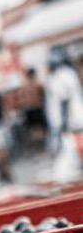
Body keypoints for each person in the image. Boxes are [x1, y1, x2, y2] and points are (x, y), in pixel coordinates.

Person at [46, 50, 83, 183]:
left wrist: (63, 124)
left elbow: (64, 100)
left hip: (69, 121)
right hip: (76, 118)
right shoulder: (70, 73)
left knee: (69, 152)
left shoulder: (59, 76)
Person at [16, 68, 48, 155]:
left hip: (30, 109)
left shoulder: (24, 86)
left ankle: (40, 148)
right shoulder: (37, 84)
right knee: (40, 129)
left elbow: (21, 99)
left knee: (35, 130)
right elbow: (43, 96)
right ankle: (42, 147)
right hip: (36, 108)